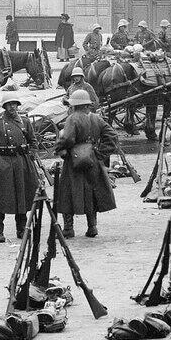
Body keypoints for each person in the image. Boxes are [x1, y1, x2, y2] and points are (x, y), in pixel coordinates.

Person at [53, 90, 117, 237]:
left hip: (73, 162)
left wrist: (58, 148)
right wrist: (100, 153)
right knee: (92, 193)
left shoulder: (72, 118)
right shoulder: (96, 119)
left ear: (74, 105)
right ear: (87, 105)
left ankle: (68, 229)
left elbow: (67, 139)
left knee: (67, 193)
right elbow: (112, 135)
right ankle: (92, 227)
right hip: (93, 161)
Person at [0, 96, 37, 243]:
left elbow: (33, 142)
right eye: (9, 104)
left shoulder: (25, 122)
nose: (12, 107)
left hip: (22, 163)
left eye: (15, 104)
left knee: (21, 196)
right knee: (0, 198)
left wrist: (30, 156)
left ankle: (21, 228)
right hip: (3, 165)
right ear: (4, 107)